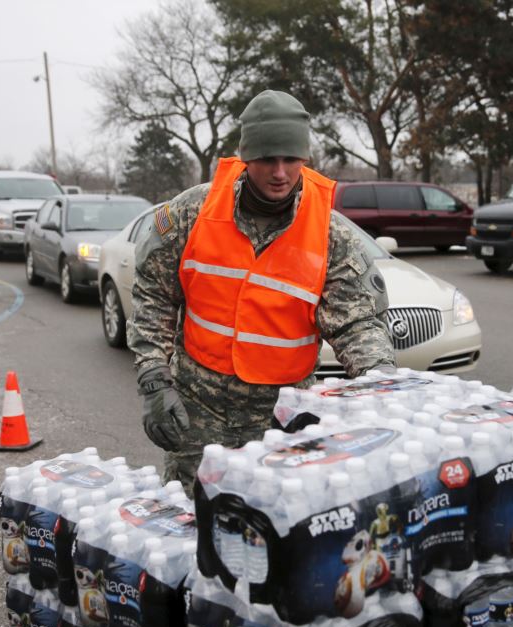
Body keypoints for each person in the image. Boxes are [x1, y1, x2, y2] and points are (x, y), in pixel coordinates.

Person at [128, 89, 395, 490]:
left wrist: (380, 382)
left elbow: (357, 324)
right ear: (246, 156)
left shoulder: (330, 234)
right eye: (268, 159)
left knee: (275, 528)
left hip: (283, 417)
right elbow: (153, 296)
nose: (280, 172)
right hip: (198, 410)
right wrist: (154, 380)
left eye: (291, 159)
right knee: (192, 523)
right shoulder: (193, 213)